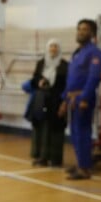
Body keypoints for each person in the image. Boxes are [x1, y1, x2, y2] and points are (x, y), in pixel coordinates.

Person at [58, 19, 101, 180]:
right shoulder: (78, 53)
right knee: (75, 133)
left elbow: (93, 78)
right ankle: (80, 163)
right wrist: (64, 99)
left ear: (92, 33)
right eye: (79, 29)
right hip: (72, 99)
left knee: (83, 132)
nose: (80, 32)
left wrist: (84, 97)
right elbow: (71, 79)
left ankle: (85, 168)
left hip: (83, 98)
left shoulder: (95, 53)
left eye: (84, 29)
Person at [24, 39, 68, 168]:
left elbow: (66, 85)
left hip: (57, 101)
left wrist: (64, 102)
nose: (53, 49)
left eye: (55, 47)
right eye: (51, 47)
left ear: (59, 49)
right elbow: (34, 79)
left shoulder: (64, 65)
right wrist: (39, 82)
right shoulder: (41, 63)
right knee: (41, 129)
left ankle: (55, 159)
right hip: (42, 100)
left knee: (55, 130)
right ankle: (41, 157)